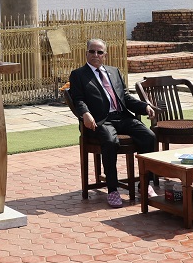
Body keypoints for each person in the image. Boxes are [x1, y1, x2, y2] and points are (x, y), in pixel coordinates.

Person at [67, 38, 157, 208]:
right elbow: (78, 100)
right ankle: (113, 189)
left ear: (105, 55)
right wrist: (85, 114)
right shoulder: (78, 74)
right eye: (92, 51)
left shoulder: (114, 71)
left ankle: (146, 183)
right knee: (110, 142)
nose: (95, 55)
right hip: (100, 120)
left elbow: (126, 98)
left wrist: (145, 107)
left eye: (99, 52)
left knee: (149, 137)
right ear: (86, 53)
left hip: (122, 117)